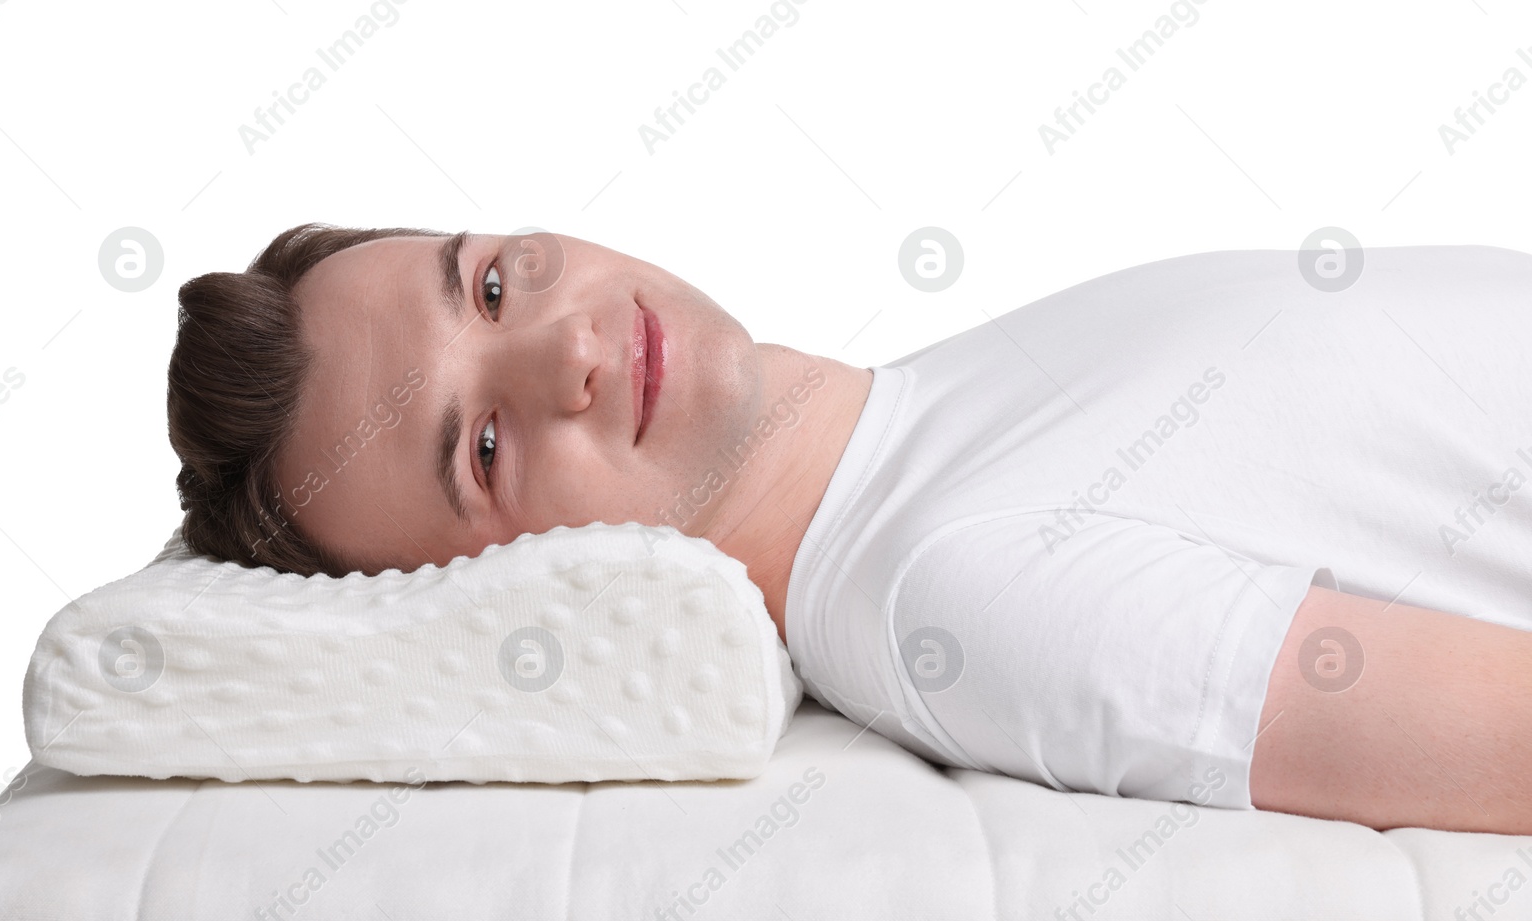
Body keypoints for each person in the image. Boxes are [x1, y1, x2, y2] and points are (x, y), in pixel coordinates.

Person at [168, 224, 1532, 836]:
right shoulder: (955, 595)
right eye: (481, 445)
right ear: (519, 584)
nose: (562, 346)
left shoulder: (926, 411)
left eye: (490, 281)